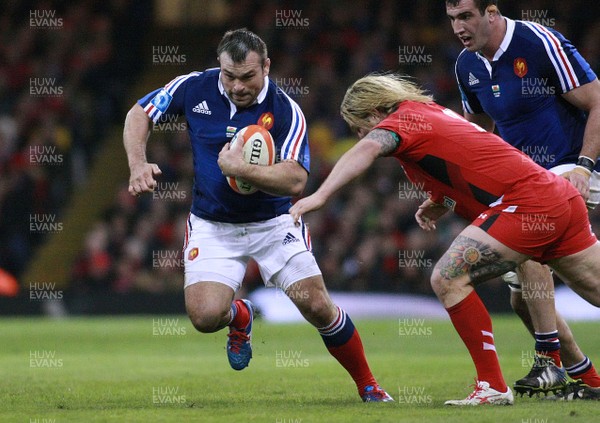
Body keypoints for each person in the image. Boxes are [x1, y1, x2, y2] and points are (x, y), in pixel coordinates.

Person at [290, 73, 600, 406]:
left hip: (526, 203)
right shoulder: (429, 114)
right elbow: (467, 159)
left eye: (359, 125)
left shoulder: (403, 119)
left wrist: (320, 195)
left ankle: (492, 386)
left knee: (448, 277)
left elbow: (366, 149)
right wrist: (440, 202)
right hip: (554, 198)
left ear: (376, 110)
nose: (361, 134)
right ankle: (591, 381)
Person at [123, 28, 392, 402]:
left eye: (247, 76)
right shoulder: (193, 87)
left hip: (274, 224)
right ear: (219, 65)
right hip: (213, 225)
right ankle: (241, 316)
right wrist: (138, 163)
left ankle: (369, 385)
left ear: (266, 66)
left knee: (316, 305)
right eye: (229, 76)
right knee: (204, 317)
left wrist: (241, 169)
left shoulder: (285, 110)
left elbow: (296, 179)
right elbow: (139, 113)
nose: (237, 86)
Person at [446, 0, 600, 399]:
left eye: (466, 17)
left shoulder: (538, 41)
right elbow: (478, 134)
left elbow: (597, 100)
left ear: (492, 12)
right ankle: (588, 380)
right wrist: (446, 192)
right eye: (452, 20)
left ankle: (548, 361)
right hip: (525, 183)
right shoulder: (466, 66)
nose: (459, 28)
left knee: (529, 227)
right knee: (521, 299)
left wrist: (584, 166)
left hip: (576, 165)